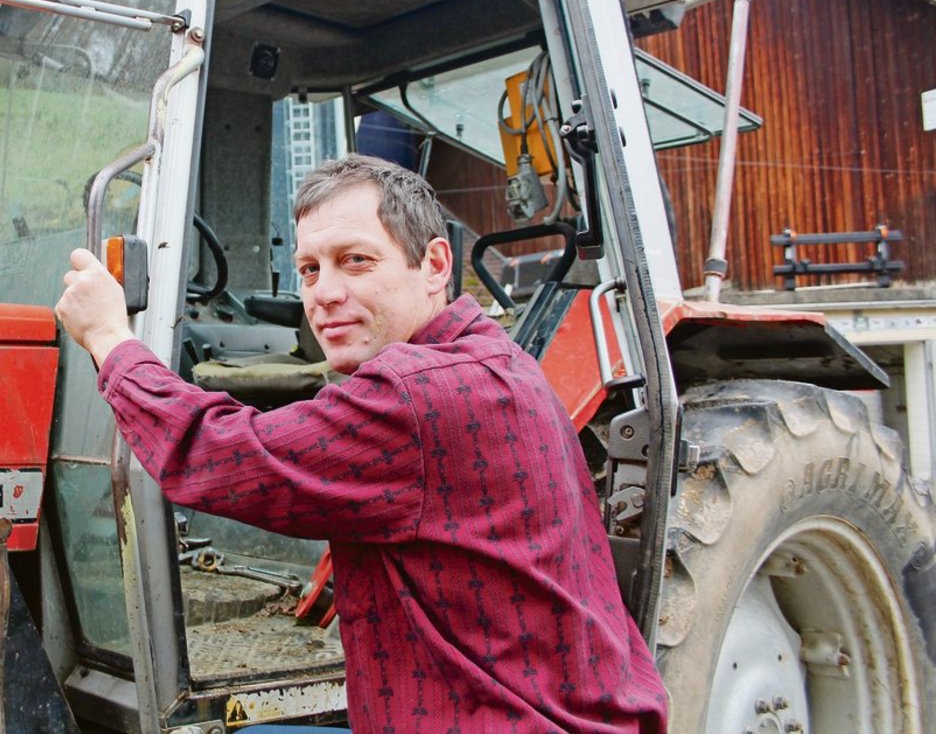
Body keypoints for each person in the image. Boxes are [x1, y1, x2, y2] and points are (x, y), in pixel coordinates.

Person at [56, 154, 668, 732]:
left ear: (434, 265)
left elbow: (216, 454)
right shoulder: (499, 362)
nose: (323, 293)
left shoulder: (416, 393)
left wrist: (110, 338)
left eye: (355, 261)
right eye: (309, 269)